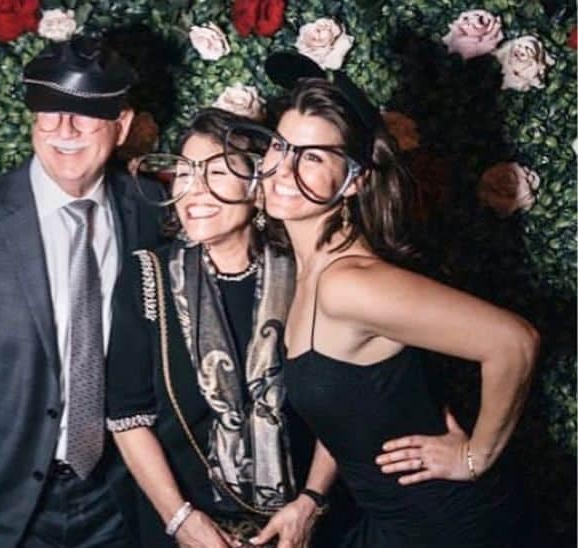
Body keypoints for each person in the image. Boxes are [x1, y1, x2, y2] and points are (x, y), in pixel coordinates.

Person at [227, 52, 540, 547]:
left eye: (312, 156)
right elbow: (348, 408)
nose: (283, 168)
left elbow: (514, 342)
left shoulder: (351, 283)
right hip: (390, 523)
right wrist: (310, 499)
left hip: (446, 529)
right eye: (281, 146)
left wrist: (474, 455)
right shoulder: (312, 271)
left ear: (354, 181)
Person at [0, 37, 165, 548]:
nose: (65, 130)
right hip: (3, 508)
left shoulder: (148, 207)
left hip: (122, 501)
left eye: (85, 114)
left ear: (123, 125)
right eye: (49, 113)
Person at [106, 108, 328, 548]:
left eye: (219, 172)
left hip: (302, 528)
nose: (194, 190)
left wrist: (310, 503)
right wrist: (182, 522)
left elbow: (344, 406)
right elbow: (127, 418)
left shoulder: (311, 275)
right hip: (185, 526)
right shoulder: (146, 275)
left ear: (258, 187)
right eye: (184, 173)